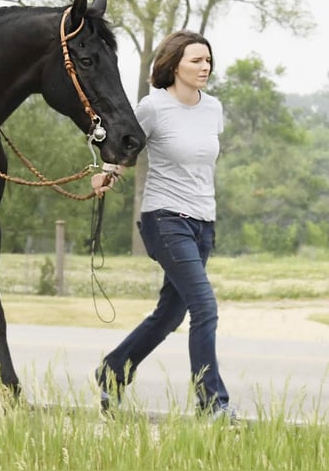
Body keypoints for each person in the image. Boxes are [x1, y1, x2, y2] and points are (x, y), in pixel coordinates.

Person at [92, 30, 236, 421]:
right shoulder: (153, 107)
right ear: (173, 65)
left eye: (208, 60)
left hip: (203, 222)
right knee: (204, 306)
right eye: (196, 60)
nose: (204, 67)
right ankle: (213, 405)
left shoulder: (213, 109)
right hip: (165, 219)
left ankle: (113, 370)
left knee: (171, 315)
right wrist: (108, 172)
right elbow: (125, 145)